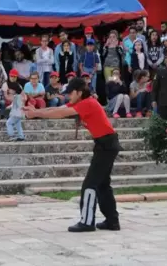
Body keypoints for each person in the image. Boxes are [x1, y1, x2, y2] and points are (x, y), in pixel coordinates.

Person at [25, 77, 122, 232]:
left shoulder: (88, 103)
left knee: (90, 185)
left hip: (107, 145)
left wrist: (35, 113)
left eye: (70, 93)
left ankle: (87, 222)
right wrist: (35, 112)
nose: (68, 96)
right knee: (102, 184)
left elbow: (61, 113)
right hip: (105, 144)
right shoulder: (81, 103)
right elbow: (55, 109)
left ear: (79, 92)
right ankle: (112, 221)